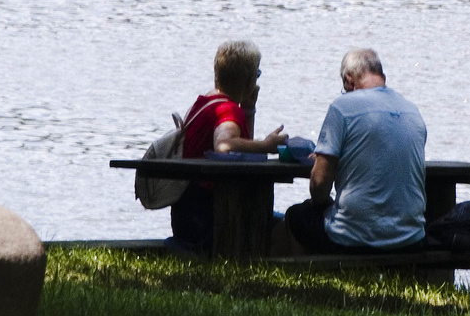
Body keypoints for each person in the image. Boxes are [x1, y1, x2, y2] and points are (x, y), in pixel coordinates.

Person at [284, 47, 427, 253]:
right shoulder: (412, 111)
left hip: (354, 237)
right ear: (382, 77)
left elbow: (319, 186)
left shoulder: (342, 107)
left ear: (348, 81)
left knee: (297, 215)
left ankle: (306, 278)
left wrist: (325, 167)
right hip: (410, 236)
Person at [171, 40, 288, 252]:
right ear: (251, 80)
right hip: (212, 218)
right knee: (286, 228)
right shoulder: (227, 111)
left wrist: (249, 110)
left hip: (185, 216)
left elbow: (239, 150)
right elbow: (224, 146)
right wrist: (267, 145)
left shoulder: (204, 103)